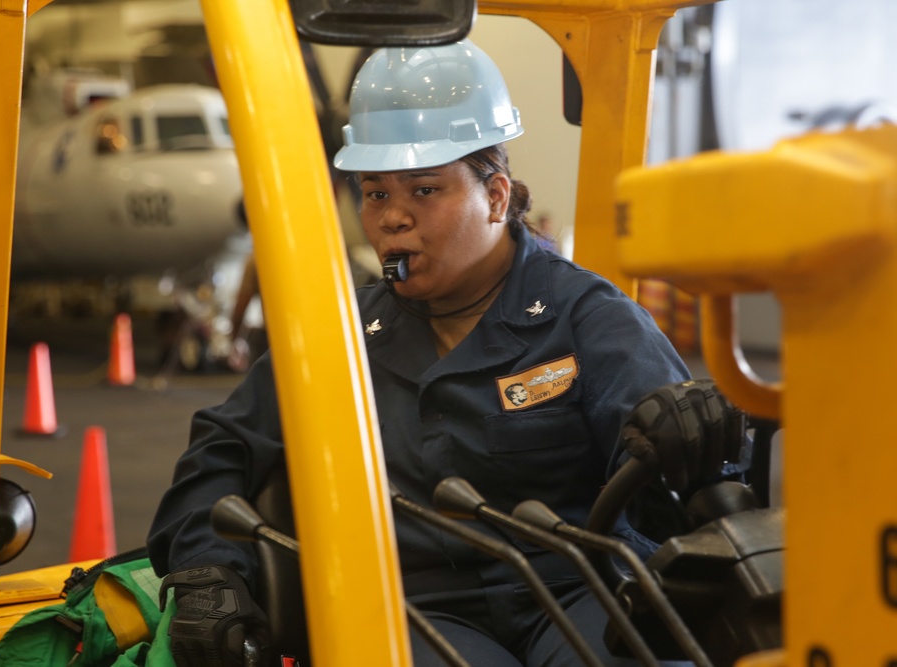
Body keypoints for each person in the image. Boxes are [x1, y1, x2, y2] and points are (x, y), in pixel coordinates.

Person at [148, 40, 739, 666]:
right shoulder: (345, 333)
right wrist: (207, 569)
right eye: (375, 194)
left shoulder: (587, 317)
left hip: (579, 586)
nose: (392, 220)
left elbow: (666, 455)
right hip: (420, 605)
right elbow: (223, 447)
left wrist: (687, 435)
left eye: (425, 191)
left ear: (497, 196)